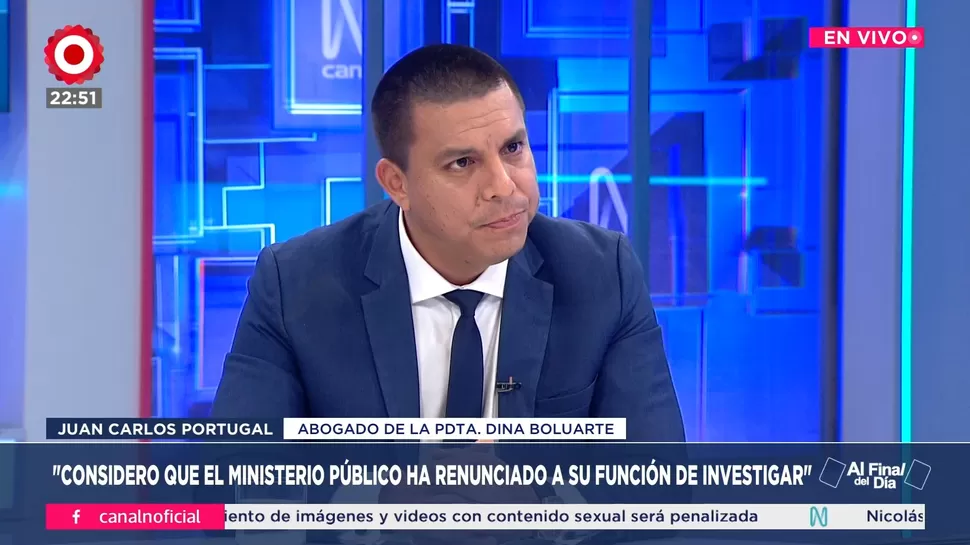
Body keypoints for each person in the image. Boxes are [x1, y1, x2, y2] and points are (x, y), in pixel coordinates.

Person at [211, 43, 685, 544]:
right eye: (462, 163)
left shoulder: (600, 272)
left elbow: (661, 484)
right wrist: (381, 501)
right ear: (397, 183)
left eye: (513, 148)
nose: (504, 186)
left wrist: (541, 506)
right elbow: (230, 489)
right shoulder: (295, 283)